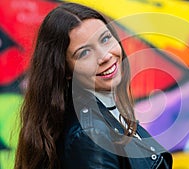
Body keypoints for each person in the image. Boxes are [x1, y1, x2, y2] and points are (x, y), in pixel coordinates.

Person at [14, 2, 172, 169]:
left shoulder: (106, 114)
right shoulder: (91, 137)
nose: (104, 56)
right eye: (85, 52)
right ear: (66, 70)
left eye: (105, 39)